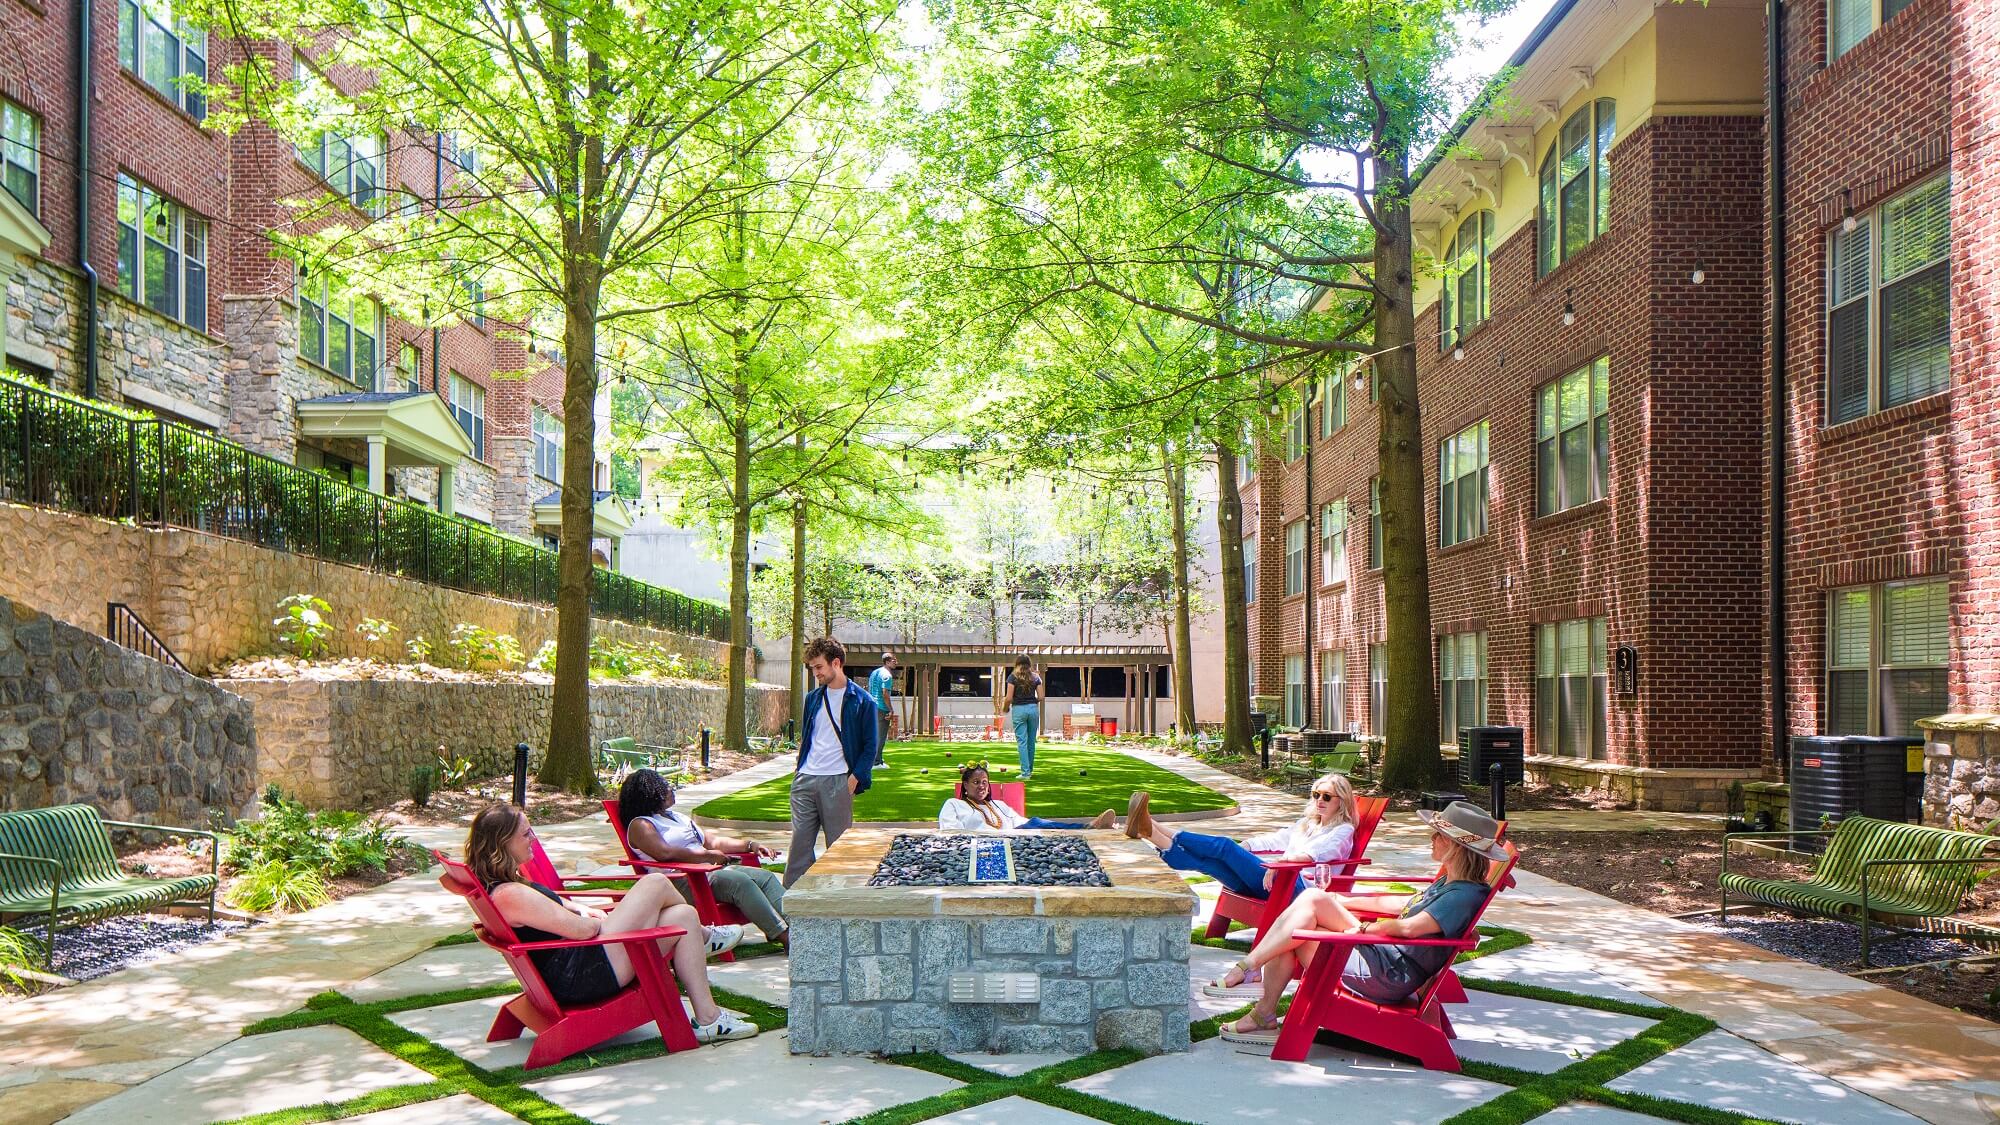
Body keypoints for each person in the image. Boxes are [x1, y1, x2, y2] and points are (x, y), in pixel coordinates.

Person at [1213, 801, 1508, 1045]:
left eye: (1438, 835)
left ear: (1457, 847)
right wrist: (1342, 901)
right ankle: (1255, 989)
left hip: (1386, 975)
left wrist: (1365, 929)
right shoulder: (1452, 882)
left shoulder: (1462, 895)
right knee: (1312, 903)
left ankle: (1254, 988)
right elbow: (1403, 907)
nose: (1431, 839)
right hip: (1383, 959)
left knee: (1298, 929)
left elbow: (1408, 928)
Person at [463, 804, 758, 1044]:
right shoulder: (510, 895)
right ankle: (707, 938)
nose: (534, 840)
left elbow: (563, 908)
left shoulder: (508, 884)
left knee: (683, 918)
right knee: (655, 882)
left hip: (585, 960)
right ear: (503, 843)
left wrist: (586, 910)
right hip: (583, 975)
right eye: (526, 834)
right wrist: (599, 918)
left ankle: (709, 1019)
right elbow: (583, 931)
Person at [617, 769, 789, 948]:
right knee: (740, 882)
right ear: (650, 794)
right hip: (683, 880)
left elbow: (712, 841)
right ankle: (785, 937)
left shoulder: (676, 817)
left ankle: (802, 926)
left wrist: (750, 844)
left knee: (765, 877)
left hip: (709, 872)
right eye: (664, 787)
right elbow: (663, 853)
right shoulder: (641, 824)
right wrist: (707, 856)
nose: (671, 789)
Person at [1124, 774, 1359, 900]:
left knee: (1225, 846)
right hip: (1275, 884)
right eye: (1316, 794)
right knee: (1211, 863)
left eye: (1327, 797)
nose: (1319, 800)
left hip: (1298, 889)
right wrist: (1247, 845)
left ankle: (1152, 825)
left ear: (1342, 801)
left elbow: (1315, 855)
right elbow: (1277, 839)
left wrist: (1280, 864)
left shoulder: (1343, 831)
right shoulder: (1308, 823)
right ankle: (1152, 832)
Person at [785, 635, 879, 888]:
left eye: (819, 667)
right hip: (805, 778)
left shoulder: (863, 701)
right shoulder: (813, 698)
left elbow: (871, 746)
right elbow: (808, 736)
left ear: (836, 663)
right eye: (812, 668)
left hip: (838, 780)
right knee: (799, 847)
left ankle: (837, 900)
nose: (815, 673)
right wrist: (798, 770)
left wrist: (855, 778)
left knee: (838, 847)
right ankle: (791, 906)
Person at [937, 764, 1117, 832]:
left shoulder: (997, 805)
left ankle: (1091, 828)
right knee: (1037, 824)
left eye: (985, 781)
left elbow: (1018, 820)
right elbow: (950, 832)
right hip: (982, 843)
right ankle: (1089, 827)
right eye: (976, 782)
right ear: (965, 786)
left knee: (1037, 823)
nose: (982, 786)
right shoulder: (954, 805)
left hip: (1016, 837)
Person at [998, 656, 1042, 778]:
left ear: (1017, 664)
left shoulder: (1012, 677)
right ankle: (1030, 770)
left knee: (1022, 741)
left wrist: (1005, 708)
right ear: (1029, 664)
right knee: (1031, 741)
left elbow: (1009, 697)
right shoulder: (1036, 677)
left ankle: (1025, 772)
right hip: (1033, 709)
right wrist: (1033, 701)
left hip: (1018, 709)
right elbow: (1042, 696)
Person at [867, 652, 898, 770]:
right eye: (894, 660)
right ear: (887, 662)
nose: (896, 662)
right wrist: (890, 709)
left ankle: (877, 759)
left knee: (874, 735)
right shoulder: (887, 675)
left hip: (872, 706)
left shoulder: (875, 673)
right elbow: (885, 693)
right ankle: (876, 762)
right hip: (881, 707)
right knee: (881, 735)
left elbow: (870, 689)